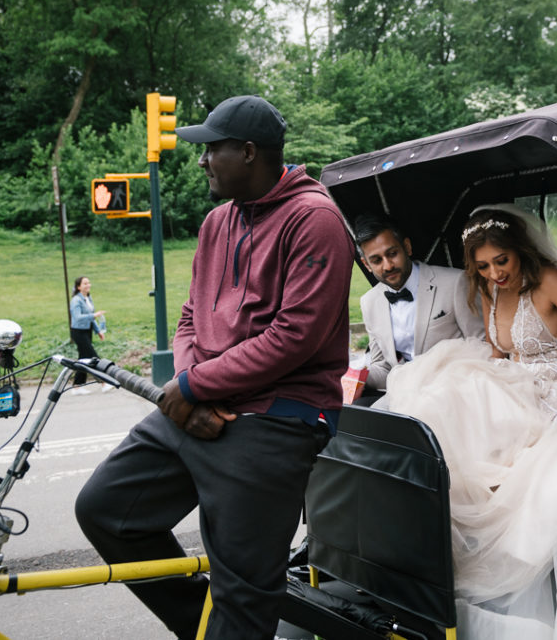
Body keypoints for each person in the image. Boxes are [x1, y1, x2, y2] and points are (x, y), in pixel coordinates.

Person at [74, 95, 354, 640]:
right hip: (203, 404)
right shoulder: (217, 221)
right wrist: (188, 387)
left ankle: (234, 621)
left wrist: (193, 386)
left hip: (278, 416)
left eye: (211, 150)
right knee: (106, 509)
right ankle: (211, 626)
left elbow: (294, 338)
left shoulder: (315, 219)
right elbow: (190, 315)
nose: (201, 160)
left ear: (248, 152)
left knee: (243, 594)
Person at [376, 204, 557, 639]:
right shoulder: (493, 290)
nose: (495, 273)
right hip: (523, 396)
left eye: (502, 261)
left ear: (520, 251)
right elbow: (501, 355)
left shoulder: (551, 283)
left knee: (515, 482)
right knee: (439, 392)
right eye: (483, 267)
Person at [355, 212, 483, 392]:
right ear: (366, 264)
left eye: (392, 254)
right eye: (376, 260)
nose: (388, 266)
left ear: (407, 247)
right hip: (404, 395)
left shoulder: (455, 283)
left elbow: (482, 346)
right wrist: (352, 377)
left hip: (458, 390)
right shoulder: (369, 302)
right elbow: (382, 368)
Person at [68, 276, 109, 393]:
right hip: (78, 332)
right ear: (78, 287)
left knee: (83, 359)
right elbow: (77, 317)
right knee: (93, 357)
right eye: (85, 283)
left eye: (88, 283)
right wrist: (94, 315)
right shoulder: (76, 300)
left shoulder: (88, 298)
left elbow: (91, 317)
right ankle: (104, 382)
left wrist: (98, 331)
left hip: (87, 331)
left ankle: (77, 386)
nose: (88, 285)